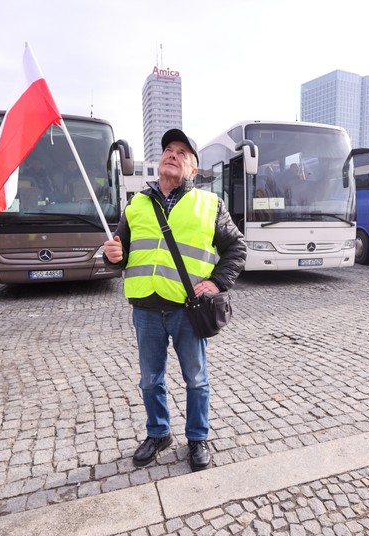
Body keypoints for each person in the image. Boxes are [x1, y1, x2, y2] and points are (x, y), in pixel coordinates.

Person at [102, 128, 246, 472]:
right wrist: (112, 256)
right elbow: (121, 253)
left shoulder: (209, 204)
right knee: (150, 380)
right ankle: (159, 433)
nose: (172, 154)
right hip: (146, 310)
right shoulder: (136, 204)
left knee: (196, 379)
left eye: (182, 152)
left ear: (193, 170)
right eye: (168, 149)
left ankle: (197, 438)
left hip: (187, 309)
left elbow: (236, 248)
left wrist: (217, 282)